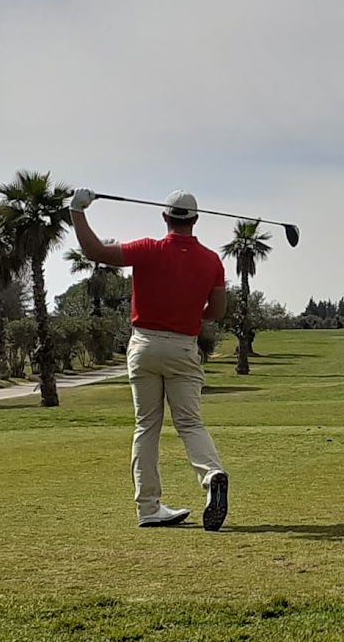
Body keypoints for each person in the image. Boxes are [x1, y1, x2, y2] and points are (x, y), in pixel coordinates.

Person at [70, 188, 230, 531]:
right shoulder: (211, 261)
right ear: (196, 220)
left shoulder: (147, 250)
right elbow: (216, 312)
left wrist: (77, 211)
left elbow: (94, 250)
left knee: (147, 426)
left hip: (143, 346)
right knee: (190, 423)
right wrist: (192, 311)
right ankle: (212, 474)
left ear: (165, 217)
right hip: (184, 347)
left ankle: (149, 508)